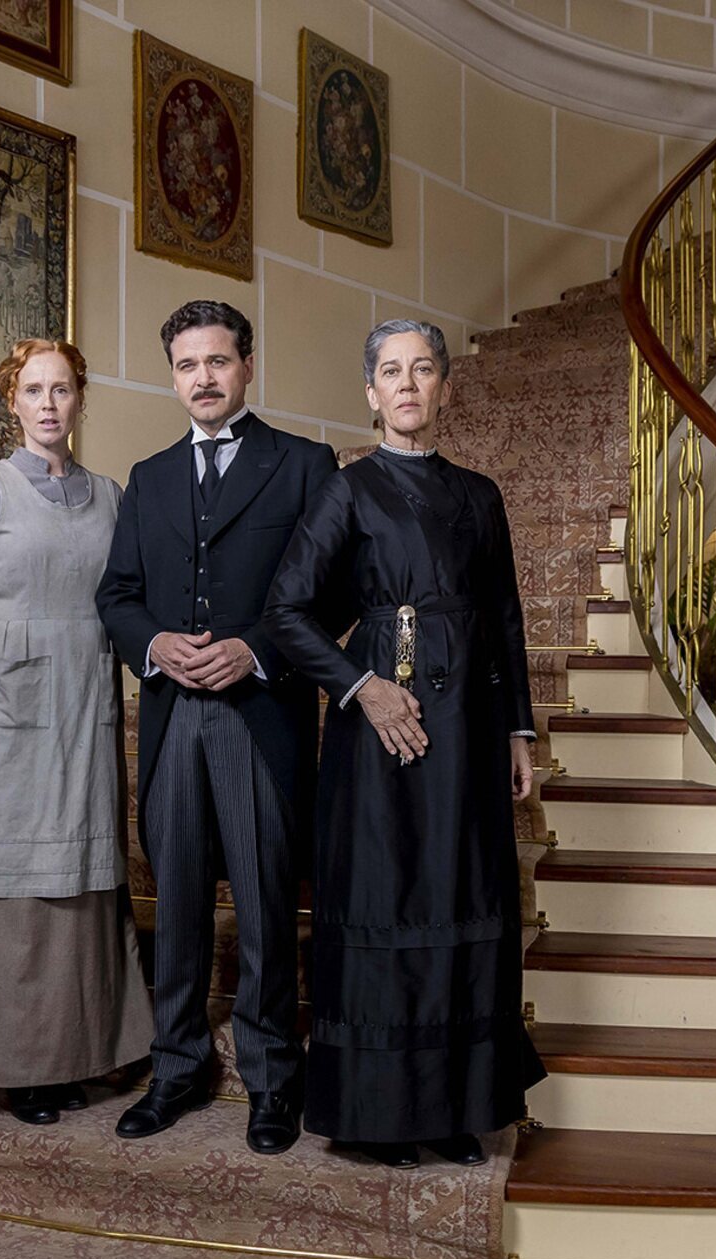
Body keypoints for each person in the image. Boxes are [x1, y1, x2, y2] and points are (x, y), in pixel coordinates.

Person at [261, 319, 546, 1168]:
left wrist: (518, 728)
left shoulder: (481, 495)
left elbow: (503, 620)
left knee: (461, 897)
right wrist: (363, 686)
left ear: (446, 389)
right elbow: (286, 609)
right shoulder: (347, 490)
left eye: (424, 369)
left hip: (468, 732)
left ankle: (456, 1107)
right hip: (378, 734)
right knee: (390, 900)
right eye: (392, 370)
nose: (409, 384)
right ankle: (376, 1117)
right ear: (371, 393)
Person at [95, 300, 337, 1155]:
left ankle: (273, 1078)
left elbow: (332, 595)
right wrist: (155, 643)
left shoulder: (306, 465)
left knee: (268, 904)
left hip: (259, 715)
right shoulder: (149, 476)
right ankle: (177, 1068)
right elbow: (117, 595)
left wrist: (257, 650)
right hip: (170, 718)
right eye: (188, 364)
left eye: (218, 361)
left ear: (247, 366)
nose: (203, 377)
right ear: (174, 375)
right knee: (180, 899)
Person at [0, 337, 152, 1126]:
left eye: (64, 389)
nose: (49, 403)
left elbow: (123, 599)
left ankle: (80, 1050)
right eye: (34, 389)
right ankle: (17, 1064)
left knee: (78, 875)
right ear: (11, 402)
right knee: (9, 881)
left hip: (85, 700)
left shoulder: (113, 495)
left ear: (80, 399)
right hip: (1, 711)